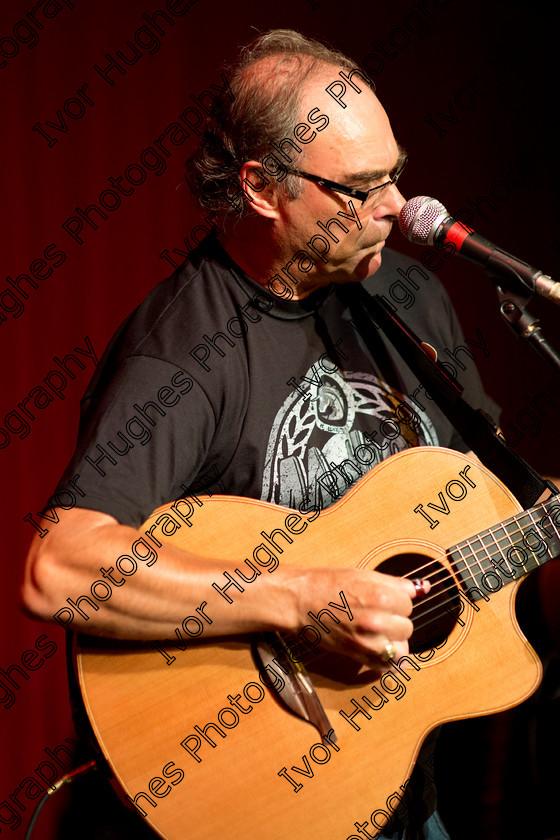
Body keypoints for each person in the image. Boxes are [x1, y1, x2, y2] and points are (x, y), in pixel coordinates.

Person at [22, 29, 500, 840]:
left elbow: (493, 506)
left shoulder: (412, 301)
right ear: (263, 189)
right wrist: (296, 597)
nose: (396, 207)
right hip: (264, 793)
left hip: (398, 783)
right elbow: (60, 569)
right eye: (360, 187)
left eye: (396, 175)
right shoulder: (184, 348)